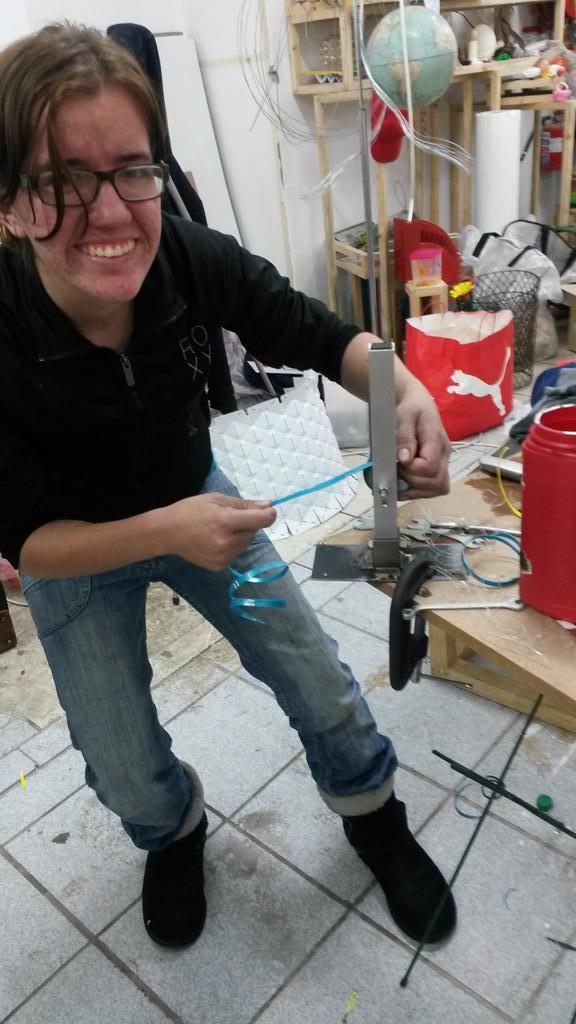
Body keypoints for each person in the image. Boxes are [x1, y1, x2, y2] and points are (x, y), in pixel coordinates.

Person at [0, 23, 455, 950]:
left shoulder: (187, 255)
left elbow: (325, 336)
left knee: (313, 672)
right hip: (76, 549)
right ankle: (172, 832)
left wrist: (403, 390)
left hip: (193, 495)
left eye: (132, 169)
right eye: (58, 183)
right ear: (9, 205)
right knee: (119, 760)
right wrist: (164, 529)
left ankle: (372, 811)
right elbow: (25, 541)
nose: (111, 213)